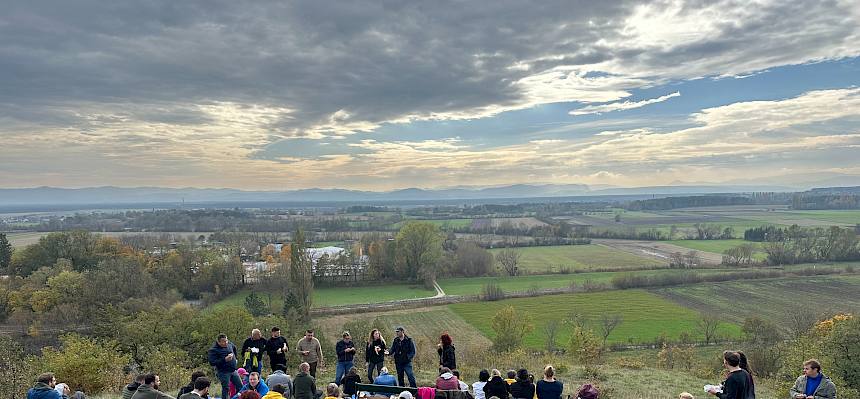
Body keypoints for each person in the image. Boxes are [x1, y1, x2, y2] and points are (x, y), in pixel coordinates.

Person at [208, 334, 244, 399]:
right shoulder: (213, 350)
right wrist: (224, 359)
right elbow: (212, 362)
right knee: (226, 388)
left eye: (226, 340)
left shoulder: (229, 344)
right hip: (223, 372)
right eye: (224, 341)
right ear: (219, 342)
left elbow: (234, 348)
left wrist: (235, 359)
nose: (226, 342)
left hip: (233, 370)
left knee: (240, 386)